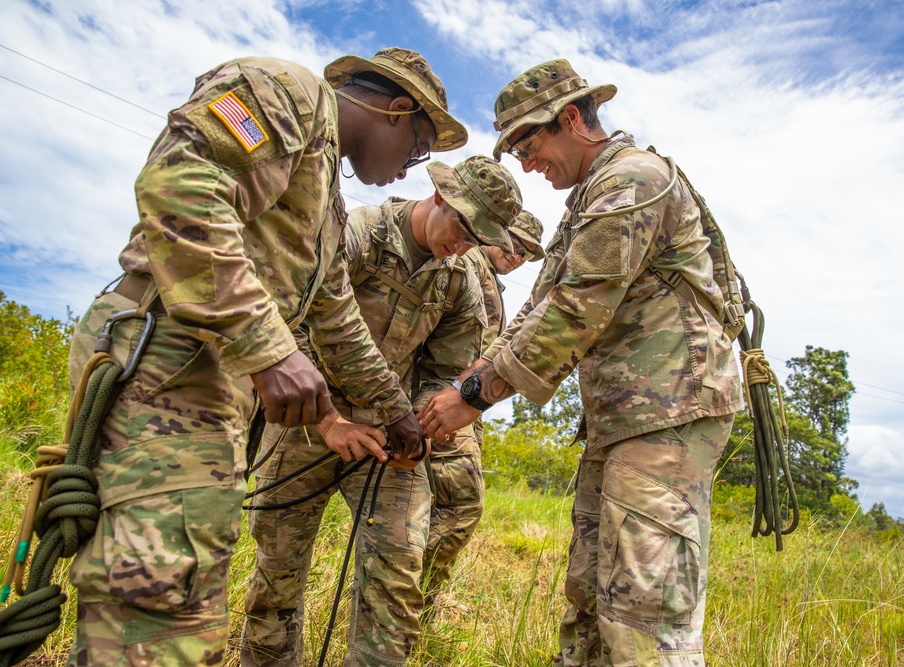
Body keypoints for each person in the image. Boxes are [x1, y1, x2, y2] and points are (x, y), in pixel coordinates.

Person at [65, 47, 466, 666]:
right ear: (396, 110)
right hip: (164, 357)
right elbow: (180, 185)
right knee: (156, 610)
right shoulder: (286, 89)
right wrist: (268, 348)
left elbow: (336, 317)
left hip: (211, 376)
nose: (410, 170)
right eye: (417, 151)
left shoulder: (326, 198)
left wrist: (395, 413)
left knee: (181, 599)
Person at [419, 59, 744, 667]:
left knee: (644, 618)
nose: (523, 162)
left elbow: (574, 310)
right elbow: (536, 310)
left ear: (571, 119)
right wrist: (467, 383)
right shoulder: (586, 200)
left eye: (527, 142)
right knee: (592, 603)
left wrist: (472, 398)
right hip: (621, 424)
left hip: (666, 419)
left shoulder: (634, 182)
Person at [240, 155, 522, 667]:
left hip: (389, 438)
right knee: (276, 575)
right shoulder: (359, 234)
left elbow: (445, 372)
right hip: (305, 421)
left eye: (476, 241)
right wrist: (327, 420)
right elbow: (289, 320)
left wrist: (419, 430)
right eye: (460, 228)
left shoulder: (459, 280)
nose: (461, 247)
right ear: (439, 198)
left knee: (396, 581)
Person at [421, 210, 544, 609]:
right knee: (461, 505)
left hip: (458, 406)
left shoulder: (488, 278)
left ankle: (411, 600)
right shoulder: (467, 263)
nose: (518, 255)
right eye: (514, 243)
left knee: (432, 506)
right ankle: (405, 596)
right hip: (441, 402)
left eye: (527, 252)